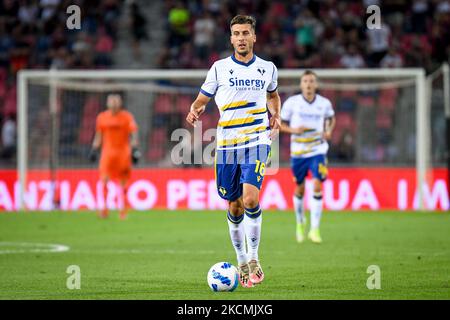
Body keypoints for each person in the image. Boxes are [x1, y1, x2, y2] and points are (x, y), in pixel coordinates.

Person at [186, 15, 281, 288]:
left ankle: (254, 259)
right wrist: (195, 109)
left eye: (245, 33)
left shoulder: (267, 69)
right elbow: (202, 99)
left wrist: (277, 115)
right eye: (236, 33)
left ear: (254, 37)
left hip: (257, 141)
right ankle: (240, 260)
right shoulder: (218, 69)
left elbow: (273, 96)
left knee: (251, 199)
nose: (241, 38)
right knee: (234, 205)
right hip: (227, 145)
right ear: (231, 38)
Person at [280, 70, 335, 244]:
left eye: (312, 81)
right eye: (305, 81)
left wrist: (329, 131)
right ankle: (299, 221)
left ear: (316, 84)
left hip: (318, 150)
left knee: (318, 184)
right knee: (300, 189)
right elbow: (279, 124)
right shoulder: (292, 103)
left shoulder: (324, 103)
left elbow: (331, 118)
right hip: (298, 153)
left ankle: (315, 229)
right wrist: (293, 130)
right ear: (301, 84)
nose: (309, 84)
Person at [89, 93, 140, 220]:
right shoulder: (102, 117)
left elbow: (134, 134)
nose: (114, 103)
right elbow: (98, 136)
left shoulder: (127, 117)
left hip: (123, 154)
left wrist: (135, 150)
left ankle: (123, 211)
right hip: (107, 155)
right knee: (104, 181)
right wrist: (94, 149)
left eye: (116, 101)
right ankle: (104, 210)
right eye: (111, 101)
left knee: (123, 184)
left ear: (120, 102)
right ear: (107, 103)